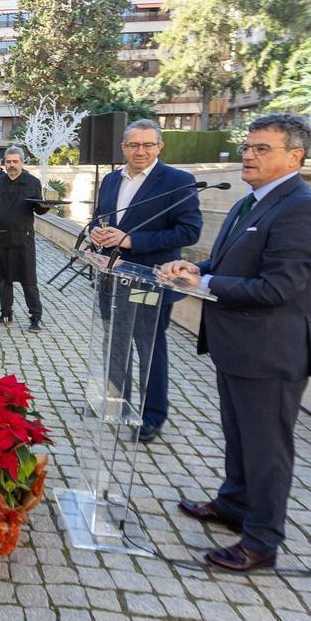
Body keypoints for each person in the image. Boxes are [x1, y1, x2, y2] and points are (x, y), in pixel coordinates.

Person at [160, 114, 311, 573]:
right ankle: (233, 505)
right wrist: (195, 271)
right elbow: (228, 265)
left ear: (295, 156)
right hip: (235, 347)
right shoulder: (251, 203)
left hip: (270, 355)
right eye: (247, 147)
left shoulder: (303, 208)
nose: (249, 155)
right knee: (239, 439)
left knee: (267, 450)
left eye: (262, 149)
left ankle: (261, 542)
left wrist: (208, 281)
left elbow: (279, 288)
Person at [89, 119, 202, 442]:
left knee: (148, 348)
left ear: (159, 147)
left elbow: (188, 231)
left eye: (148, 145)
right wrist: (99, 232)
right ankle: (116, 401)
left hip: (150, 281)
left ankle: (152, 415)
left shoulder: (178, 181)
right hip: (112, 279)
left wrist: (131, 241)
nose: (141, 151)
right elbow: (104, 218)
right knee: (115, 342)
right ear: (123, 148)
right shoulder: (112, 180)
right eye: (134, 145)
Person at [0, 146, 50, 332]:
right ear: (4, 163)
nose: (11, 165)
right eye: (8, 161)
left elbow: (39, 209)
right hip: (1, 237)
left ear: (22, 162)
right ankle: (6, 313)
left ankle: (35, 317)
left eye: (15, 161)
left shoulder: (33, 183)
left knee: (28, 281)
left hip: (23, 239)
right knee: (4, 280)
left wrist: (46, 205)